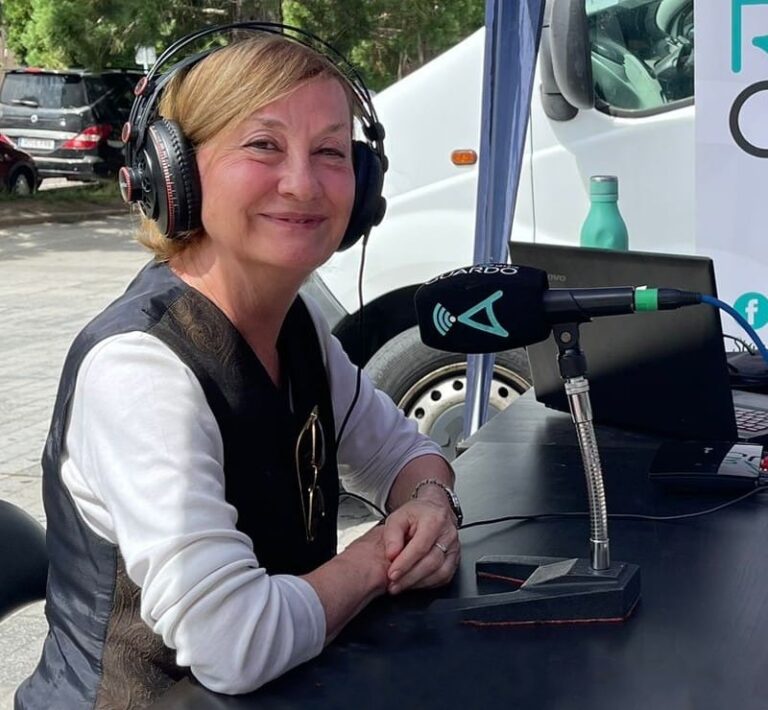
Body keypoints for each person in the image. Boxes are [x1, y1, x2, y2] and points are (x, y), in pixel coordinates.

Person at [15, 25, 462, 710]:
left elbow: (402, 452)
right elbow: (234, 642)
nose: (303, 183)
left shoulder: (300, 327)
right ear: (178, 172)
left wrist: (429, 503)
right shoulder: (139, 369)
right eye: (263, 145)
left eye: (332, 152)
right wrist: (375, 562)